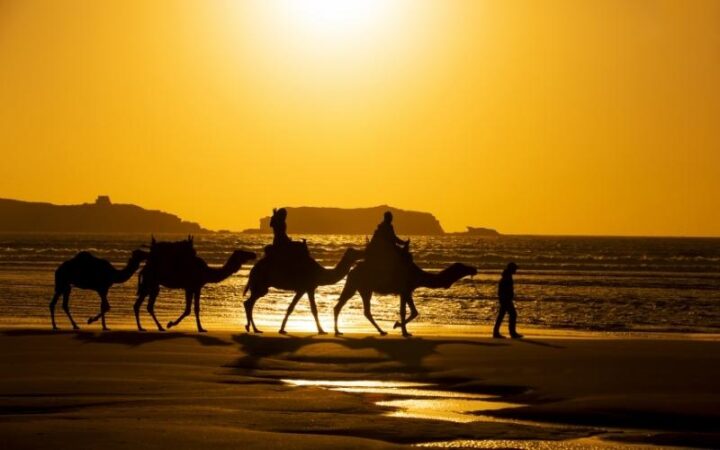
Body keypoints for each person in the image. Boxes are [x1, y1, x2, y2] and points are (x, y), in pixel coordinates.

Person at [493, 262, 523, 339]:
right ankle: (512, 333)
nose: (516, 270)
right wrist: (506, 297)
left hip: (505, 298)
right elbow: (504, 289)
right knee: (513, 314)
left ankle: (496, 332)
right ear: (511, 269)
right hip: (505, 299)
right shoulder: (507, 277)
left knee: (502, 315)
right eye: (515, 268)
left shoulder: (507, 275)